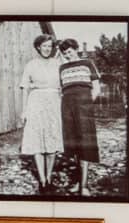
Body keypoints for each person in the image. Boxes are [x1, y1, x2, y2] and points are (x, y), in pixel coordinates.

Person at [18, 32, 62, 193]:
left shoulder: (58, 63)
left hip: (54, 103)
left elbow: (64, 84)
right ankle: (42, 181)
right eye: (44, 46)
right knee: (37, 140)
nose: (47, 49)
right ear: (38, 47)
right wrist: (24, 111)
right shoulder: (31, 64)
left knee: (52, 140)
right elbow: (24, 88)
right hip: (35, 102)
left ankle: (49, 178)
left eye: (50, 46)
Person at [56, 37, 99, 181]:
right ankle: (78, 180)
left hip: (83, 104)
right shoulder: (62, 68)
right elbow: (60, 89)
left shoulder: (87, 63)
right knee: (72, 140)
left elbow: (96, 88)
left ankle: (84, 185)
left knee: (85, 141)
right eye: (65, 53)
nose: (68, 55)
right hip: (67, 105)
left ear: (75, 49)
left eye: (69, 51)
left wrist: (86, 104)